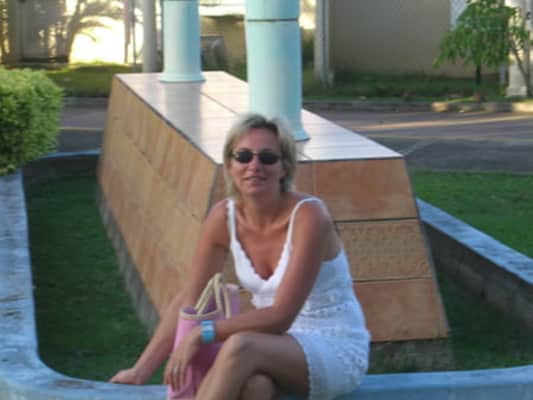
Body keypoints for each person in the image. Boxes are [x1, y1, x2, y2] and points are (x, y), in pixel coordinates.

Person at [110, 113, 370, 399]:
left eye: (267, 158)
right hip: (272, 346)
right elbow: (191, 298)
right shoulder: (223, 217)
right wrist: (140, 371)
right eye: (243, 156)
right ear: (230, 164)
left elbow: (281, 315)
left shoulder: (310, 216)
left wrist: (203, 333)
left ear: (284, 167)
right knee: (255, 388)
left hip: (333, 346)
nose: (254, 166)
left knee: (240, 346)